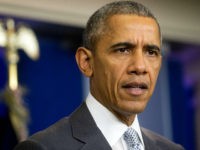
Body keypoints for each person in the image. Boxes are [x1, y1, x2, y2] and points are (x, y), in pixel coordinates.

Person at [14, 1, 184, 150]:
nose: (140, 67)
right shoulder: (43, 147)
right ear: (86, 62)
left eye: (151, 52)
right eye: (123, 50)